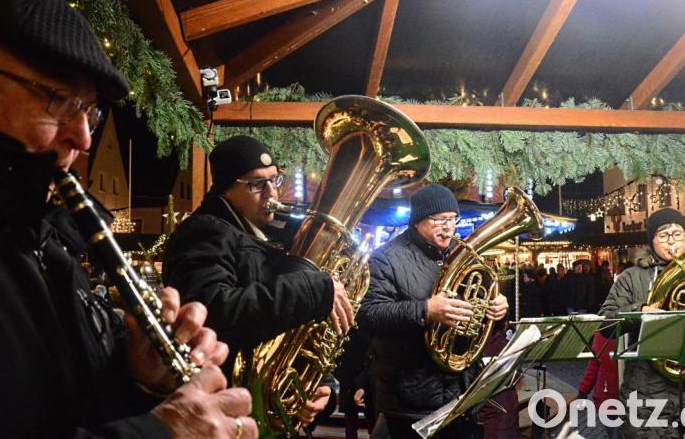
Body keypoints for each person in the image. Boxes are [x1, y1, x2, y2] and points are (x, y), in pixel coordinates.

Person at [0, 0, 255, 438]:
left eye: (88, 111)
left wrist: (135, 377)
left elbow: (55, 406)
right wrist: (162, 433)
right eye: (57, 99)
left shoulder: (41, 239)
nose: (84, 137)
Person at [162, 135, 354, 425]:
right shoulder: (204, 232)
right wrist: (312, 289)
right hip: (224, 411)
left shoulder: (263, 235)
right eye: (256, 184)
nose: (272, 193)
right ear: (226, 189)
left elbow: (288, 328)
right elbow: (214, 311)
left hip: (257, 409)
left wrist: (320, 382)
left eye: (275, 180)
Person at [358, 184, 510, 439]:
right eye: (439, 220)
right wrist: (426, 309)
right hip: (411, 401)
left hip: (460, 393)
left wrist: (495, 312)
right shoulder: (386, 258)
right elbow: (368, 315)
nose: (449, 227)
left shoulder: (460, 255)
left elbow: (472, 312)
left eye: (452, 219)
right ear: (418, 221)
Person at [598, 208, 685, 438]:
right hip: (647, 391)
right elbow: (605, 323)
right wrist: (639, 311)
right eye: (663, 235)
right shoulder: (631, 277)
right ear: (651, 241)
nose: (672, 240)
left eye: (678, 234)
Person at [577, 331, 619, 439]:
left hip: (630, 398)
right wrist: (582, 392)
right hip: (609, 399)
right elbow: (593, 366)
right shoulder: (602, 332)